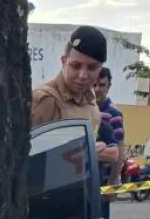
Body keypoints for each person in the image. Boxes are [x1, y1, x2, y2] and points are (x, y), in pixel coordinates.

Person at [30, 25, 120, 184]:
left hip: (82, 196)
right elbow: (27, 158)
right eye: (76, 65)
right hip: (48, 200)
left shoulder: (90, 99)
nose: (83, 75)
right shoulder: (46, 100)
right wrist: (86, 152)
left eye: (92, 67)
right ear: (64, 61)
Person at [95, 66, 126, 219]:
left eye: (102, 85)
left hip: (102, 181)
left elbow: (119, 150)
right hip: (82, 180)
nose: (97, 89)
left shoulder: (112, 114)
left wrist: (113, 183)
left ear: (109, 86)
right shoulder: (83, 108)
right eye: (94, 84)